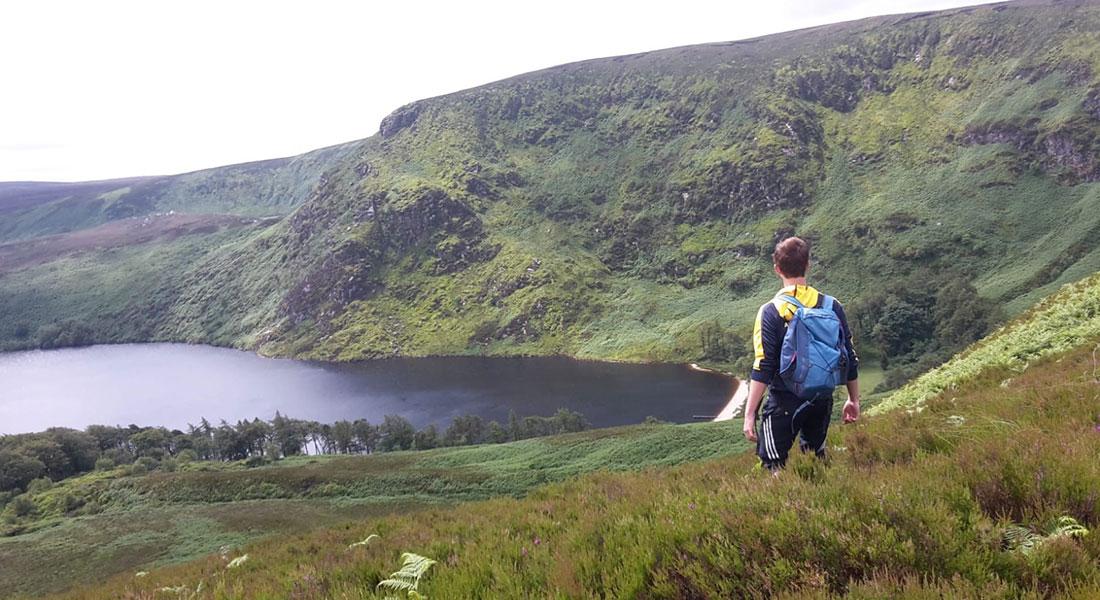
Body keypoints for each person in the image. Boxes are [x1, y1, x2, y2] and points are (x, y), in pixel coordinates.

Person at [742, 236, 860, 472]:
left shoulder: (770, 311)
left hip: (785, 399)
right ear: (808, 264)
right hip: (822, 397)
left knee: (773, 464)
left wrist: (749, 414)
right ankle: (823, 503)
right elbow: (849, 355)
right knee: (815, 459)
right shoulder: (832, 305)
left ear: (777, 269)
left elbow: (763, 367)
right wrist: (853, 400)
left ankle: (783, 506)